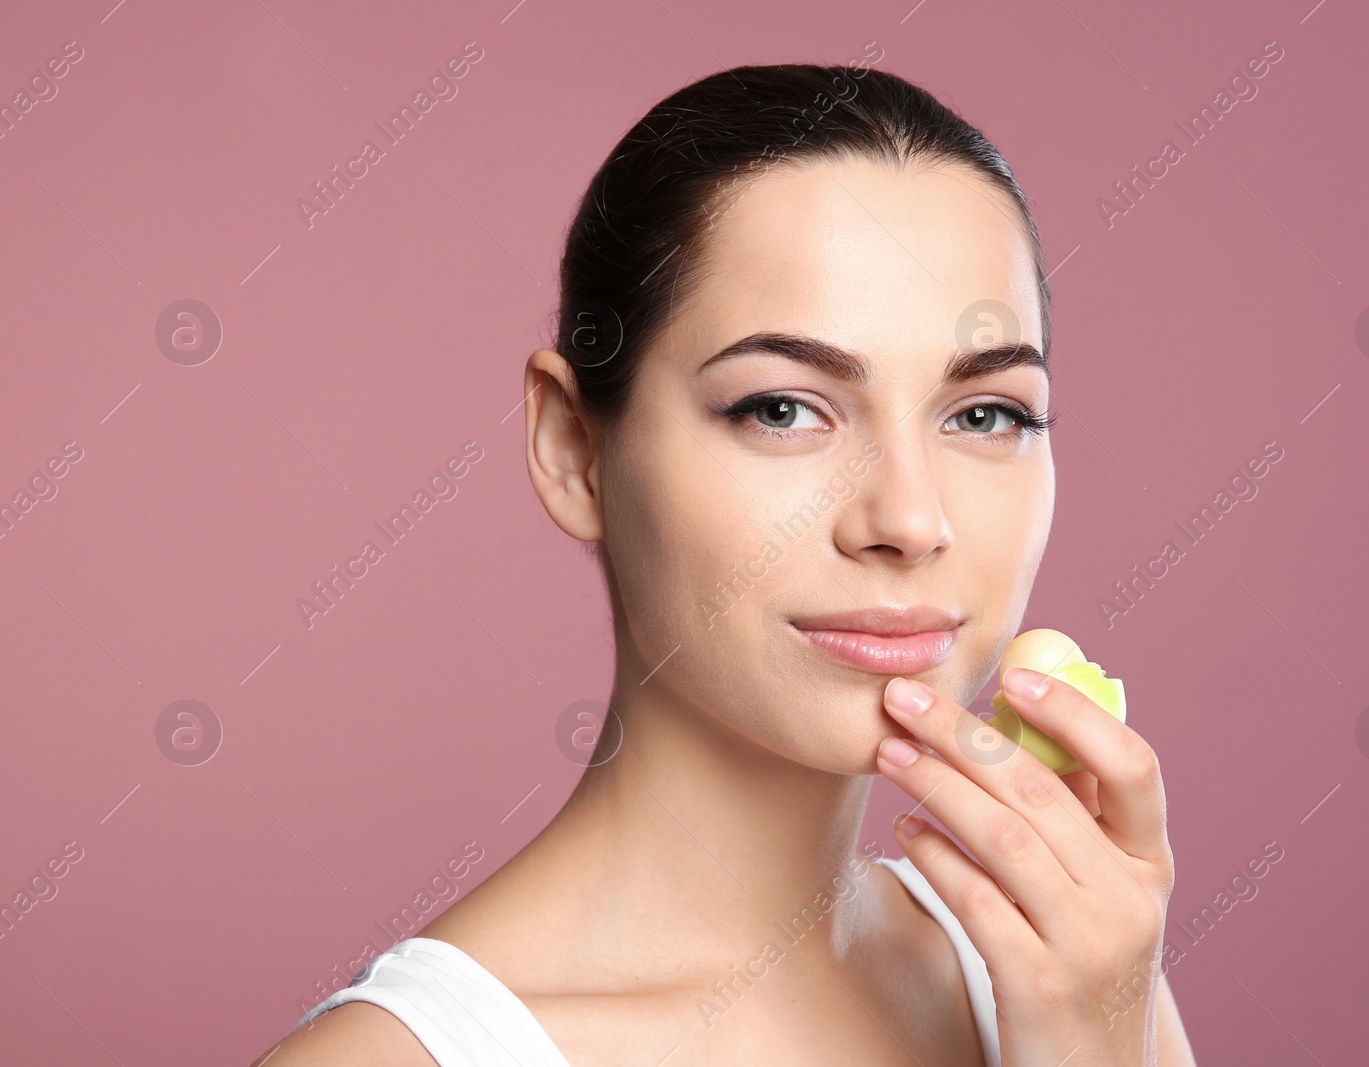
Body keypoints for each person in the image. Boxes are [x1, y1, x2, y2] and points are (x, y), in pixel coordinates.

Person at [255, 61, 1195, 1066]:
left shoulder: (1058, 971)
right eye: (782, 408)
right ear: (574, 447)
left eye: (985, 413)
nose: (911, 519)